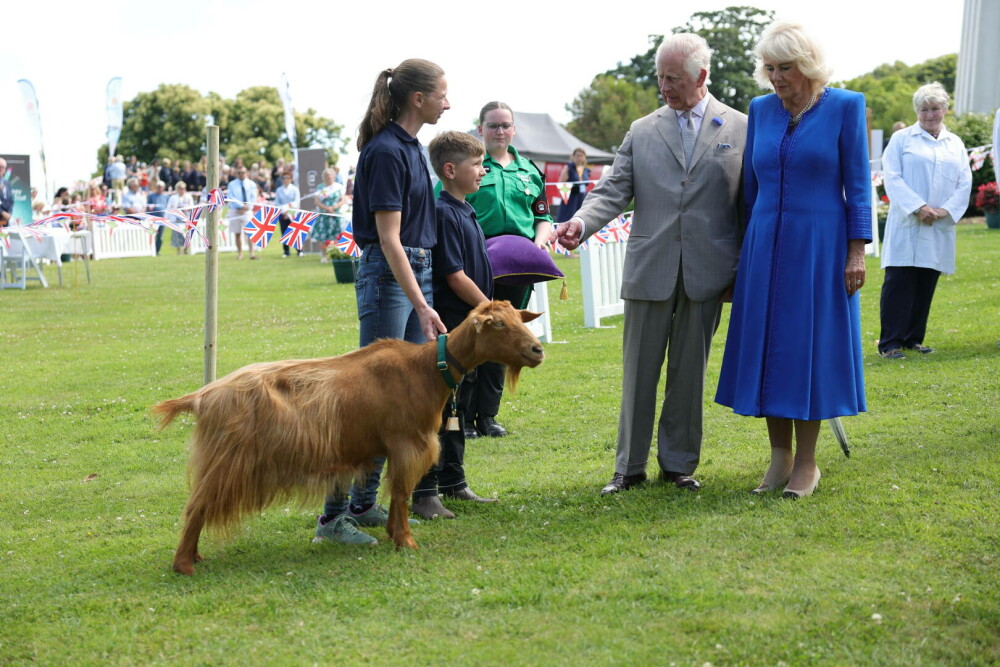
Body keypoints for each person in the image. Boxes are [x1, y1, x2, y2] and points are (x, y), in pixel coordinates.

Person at [554, 33, 747, 496]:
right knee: (638, 372)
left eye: (674, 78)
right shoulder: (642, 130)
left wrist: (741, 267)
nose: (665, 86)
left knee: (689, 373)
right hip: (650, 267)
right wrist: (581, 222)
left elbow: (748, 203)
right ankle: (628, 467)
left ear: (701, 76)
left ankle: (679, 464)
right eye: (660, 77)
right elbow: (613, 189)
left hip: (709, 273)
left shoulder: (742, 126)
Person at [714, 21, 871, 499]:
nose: (776, 77)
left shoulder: (846, 106)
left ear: (807, 67)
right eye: (770, 68)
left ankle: (807, 462)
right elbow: (751, 190)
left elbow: (858, 187)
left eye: (786, 68)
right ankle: (779, 455)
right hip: (765, 244)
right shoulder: (760, 110)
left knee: (809, 347)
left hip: (822, 246)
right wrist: (743, 255)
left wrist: (856, 251)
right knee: (768, 347)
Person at [314, 58, 449, 546]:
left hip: (414, 273)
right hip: (394, 276)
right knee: (364, 404)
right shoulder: (388, 152)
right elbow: (389, 239)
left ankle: (364, 504)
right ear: (418, 99)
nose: (447, 103)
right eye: (441, 94)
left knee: (402, 399)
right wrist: (420, 302)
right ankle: (331, 521)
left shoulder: (411, 148)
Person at [410, 131, 496, 520]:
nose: (483, 169)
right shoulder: (444, 212)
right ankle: (426, 493)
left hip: (471, 329)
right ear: (450, 170)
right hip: (453, 329)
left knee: (460, 409)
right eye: (476, 164)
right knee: (441, 410)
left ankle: (454, 482)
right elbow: (454, 275)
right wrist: (490, 309)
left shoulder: (466, 209)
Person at [463, 101, 554, 439]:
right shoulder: (468, 167)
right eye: (492, 126)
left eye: (505, 125)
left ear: (514, 129)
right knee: (473, 336)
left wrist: (539, 243)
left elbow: (543, 217)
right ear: (480, 129)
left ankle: (487, 416)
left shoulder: (529, 170)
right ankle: (464, 417)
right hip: (473, 268)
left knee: (504, 340)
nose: (499, 131)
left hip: (515, 269)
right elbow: (446, 207)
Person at [877, 83, 972, 359]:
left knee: (926, 281)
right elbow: (891, 177)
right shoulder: (902, 139)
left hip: (939, 222)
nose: (930, 114)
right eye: (924, 109)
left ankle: (913, 338)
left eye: (935, 109)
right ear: (916, 111)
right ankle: (890, 343)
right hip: (909, 222)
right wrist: (918, 207)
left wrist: (945, 211)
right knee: (899, 283)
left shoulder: (955, 143)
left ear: (945, 110)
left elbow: (964, 181)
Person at [311, 167, 346, 259]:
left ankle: (337, 254)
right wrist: (327, 208)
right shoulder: (320, 187)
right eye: (327, 175)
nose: (329, 177)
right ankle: (323, 255)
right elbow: (317, 201)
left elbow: (343, 200)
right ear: (324, 177)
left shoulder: (338, 186)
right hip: (324, 214)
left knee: (337, 234)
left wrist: (333, 207)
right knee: (323, 235)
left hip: (336, 213)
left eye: (330, 175)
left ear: (334, 176)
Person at [226, 165, 258, 260]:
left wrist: (247, 207)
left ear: (246, 173)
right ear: (236, 174)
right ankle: (240, 254)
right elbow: (231, 197)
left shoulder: (251, 184)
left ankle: (252, 253)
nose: (241, 174)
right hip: (235, 210)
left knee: (250, 232)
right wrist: (241, 206)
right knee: (237, 233)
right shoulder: (232, 184)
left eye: (243, 172)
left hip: (247, 210)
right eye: (239, 173)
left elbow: (253, 197)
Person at [556, 148, 591, 222]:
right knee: (567, 219)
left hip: (582, 198)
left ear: (584, 157)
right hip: (570, 199)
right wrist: (565, 195)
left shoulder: (586, 170)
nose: (579, 158)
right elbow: (561, 183)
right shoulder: (569, 167)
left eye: (581, 156)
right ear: (573, 157)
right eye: (577, 156)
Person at [274, 170, 302, 257]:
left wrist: (289, 212)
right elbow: (277, 203)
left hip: (293, 213)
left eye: (287, 178)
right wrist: (284, 212)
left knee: (295, 232)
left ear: (291, 179)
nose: (286, 180)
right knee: (284, 232)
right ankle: (286, 251)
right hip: (283, 214)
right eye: (284, 178)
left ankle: (299, 250)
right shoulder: (279, 190)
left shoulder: (295, 189)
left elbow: (296, 202)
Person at [166, 181, 193, 254]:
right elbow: (168, 208)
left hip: (185, 218)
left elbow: (192, 207)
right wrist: (166, 219)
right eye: (181, 188)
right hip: (176, 218)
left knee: (186, 234)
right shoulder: (173, 197)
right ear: (177, 189)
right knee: (176, 234)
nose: (182, 190)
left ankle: (185, 249)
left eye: (184, 188)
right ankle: (178, 250)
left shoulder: (188, 196)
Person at [147, 181, 170, 255]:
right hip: (153, 219)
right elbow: (148, 207)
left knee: (160, 236)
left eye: (161, 187)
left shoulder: (166, 196)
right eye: (158, 187)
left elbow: (168, 206)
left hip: (162, 219)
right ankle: (151, 250)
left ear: (163, 188)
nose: (160, 188)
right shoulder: (151, 196)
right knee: (152, 235)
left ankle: (157, 251)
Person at [0, 157, 12, 227]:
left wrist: (9, 213)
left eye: (3, 167)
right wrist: (2, 212)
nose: (1, 169)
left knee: (4, 237)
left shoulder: (6, 182)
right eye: (0, 166)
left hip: (5, 220)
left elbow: (11, 200)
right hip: (2, 214)